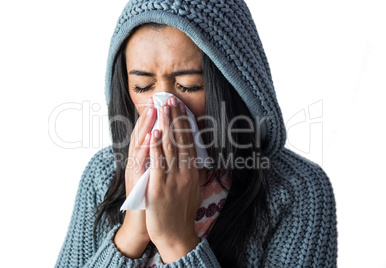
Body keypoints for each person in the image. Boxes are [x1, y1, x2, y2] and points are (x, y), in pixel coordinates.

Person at [55, 0, 338, 267]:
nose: (164, 106)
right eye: (143, 86)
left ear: (233, 83)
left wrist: (176, 241)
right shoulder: (103, 175)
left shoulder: (297, 191)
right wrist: (132, 233)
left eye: (189, 86)